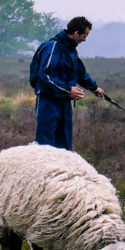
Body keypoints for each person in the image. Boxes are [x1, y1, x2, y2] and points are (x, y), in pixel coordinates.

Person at [29, 16, 105, 150]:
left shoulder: (71, 51)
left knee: (64, 147)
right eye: (84, 36)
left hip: (64, 102)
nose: (85, 40)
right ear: (76, 33)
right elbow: (45, 75)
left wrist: (94, 88)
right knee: (45, 145)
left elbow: (80, 73)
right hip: (48, 101)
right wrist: (68, 90)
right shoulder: (52, 47)